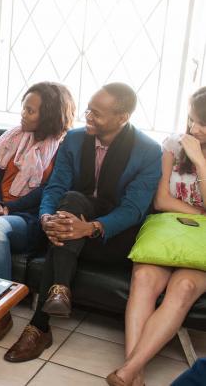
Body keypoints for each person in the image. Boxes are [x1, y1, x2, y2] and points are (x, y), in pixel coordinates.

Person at [4, 83, 162, 364]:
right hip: (73, 221)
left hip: (114, 235)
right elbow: (55, 188)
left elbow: (133, 209)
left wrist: (90, 227)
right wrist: (47, 218)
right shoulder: (75, 140)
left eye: (97, 114)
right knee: (71, 202)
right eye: (88, 109)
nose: (88, 116)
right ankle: (58, 294)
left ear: (122, 117)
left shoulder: (148, 151)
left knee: (67, 229)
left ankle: (39, 326)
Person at [0, 82, 75, 341]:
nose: (23, 114)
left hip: (26, 216)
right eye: (24, 108)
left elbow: (47, 192)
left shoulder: (62, 148)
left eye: (31, 111)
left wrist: (10, 208)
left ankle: (2, 312)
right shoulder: (12, 136)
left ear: (49, 115)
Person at [106, 87, 206, 386]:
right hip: (165, 228)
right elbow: (161, 200)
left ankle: (127, 372)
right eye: (191, 120)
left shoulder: (193, 150)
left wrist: (199, 160)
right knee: (143, 280)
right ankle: (134, 378)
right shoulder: (173, 144)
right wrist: (200, 213)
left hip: (200, 242)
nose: (193, 128)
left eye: (202, 123)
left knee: (185, 286)